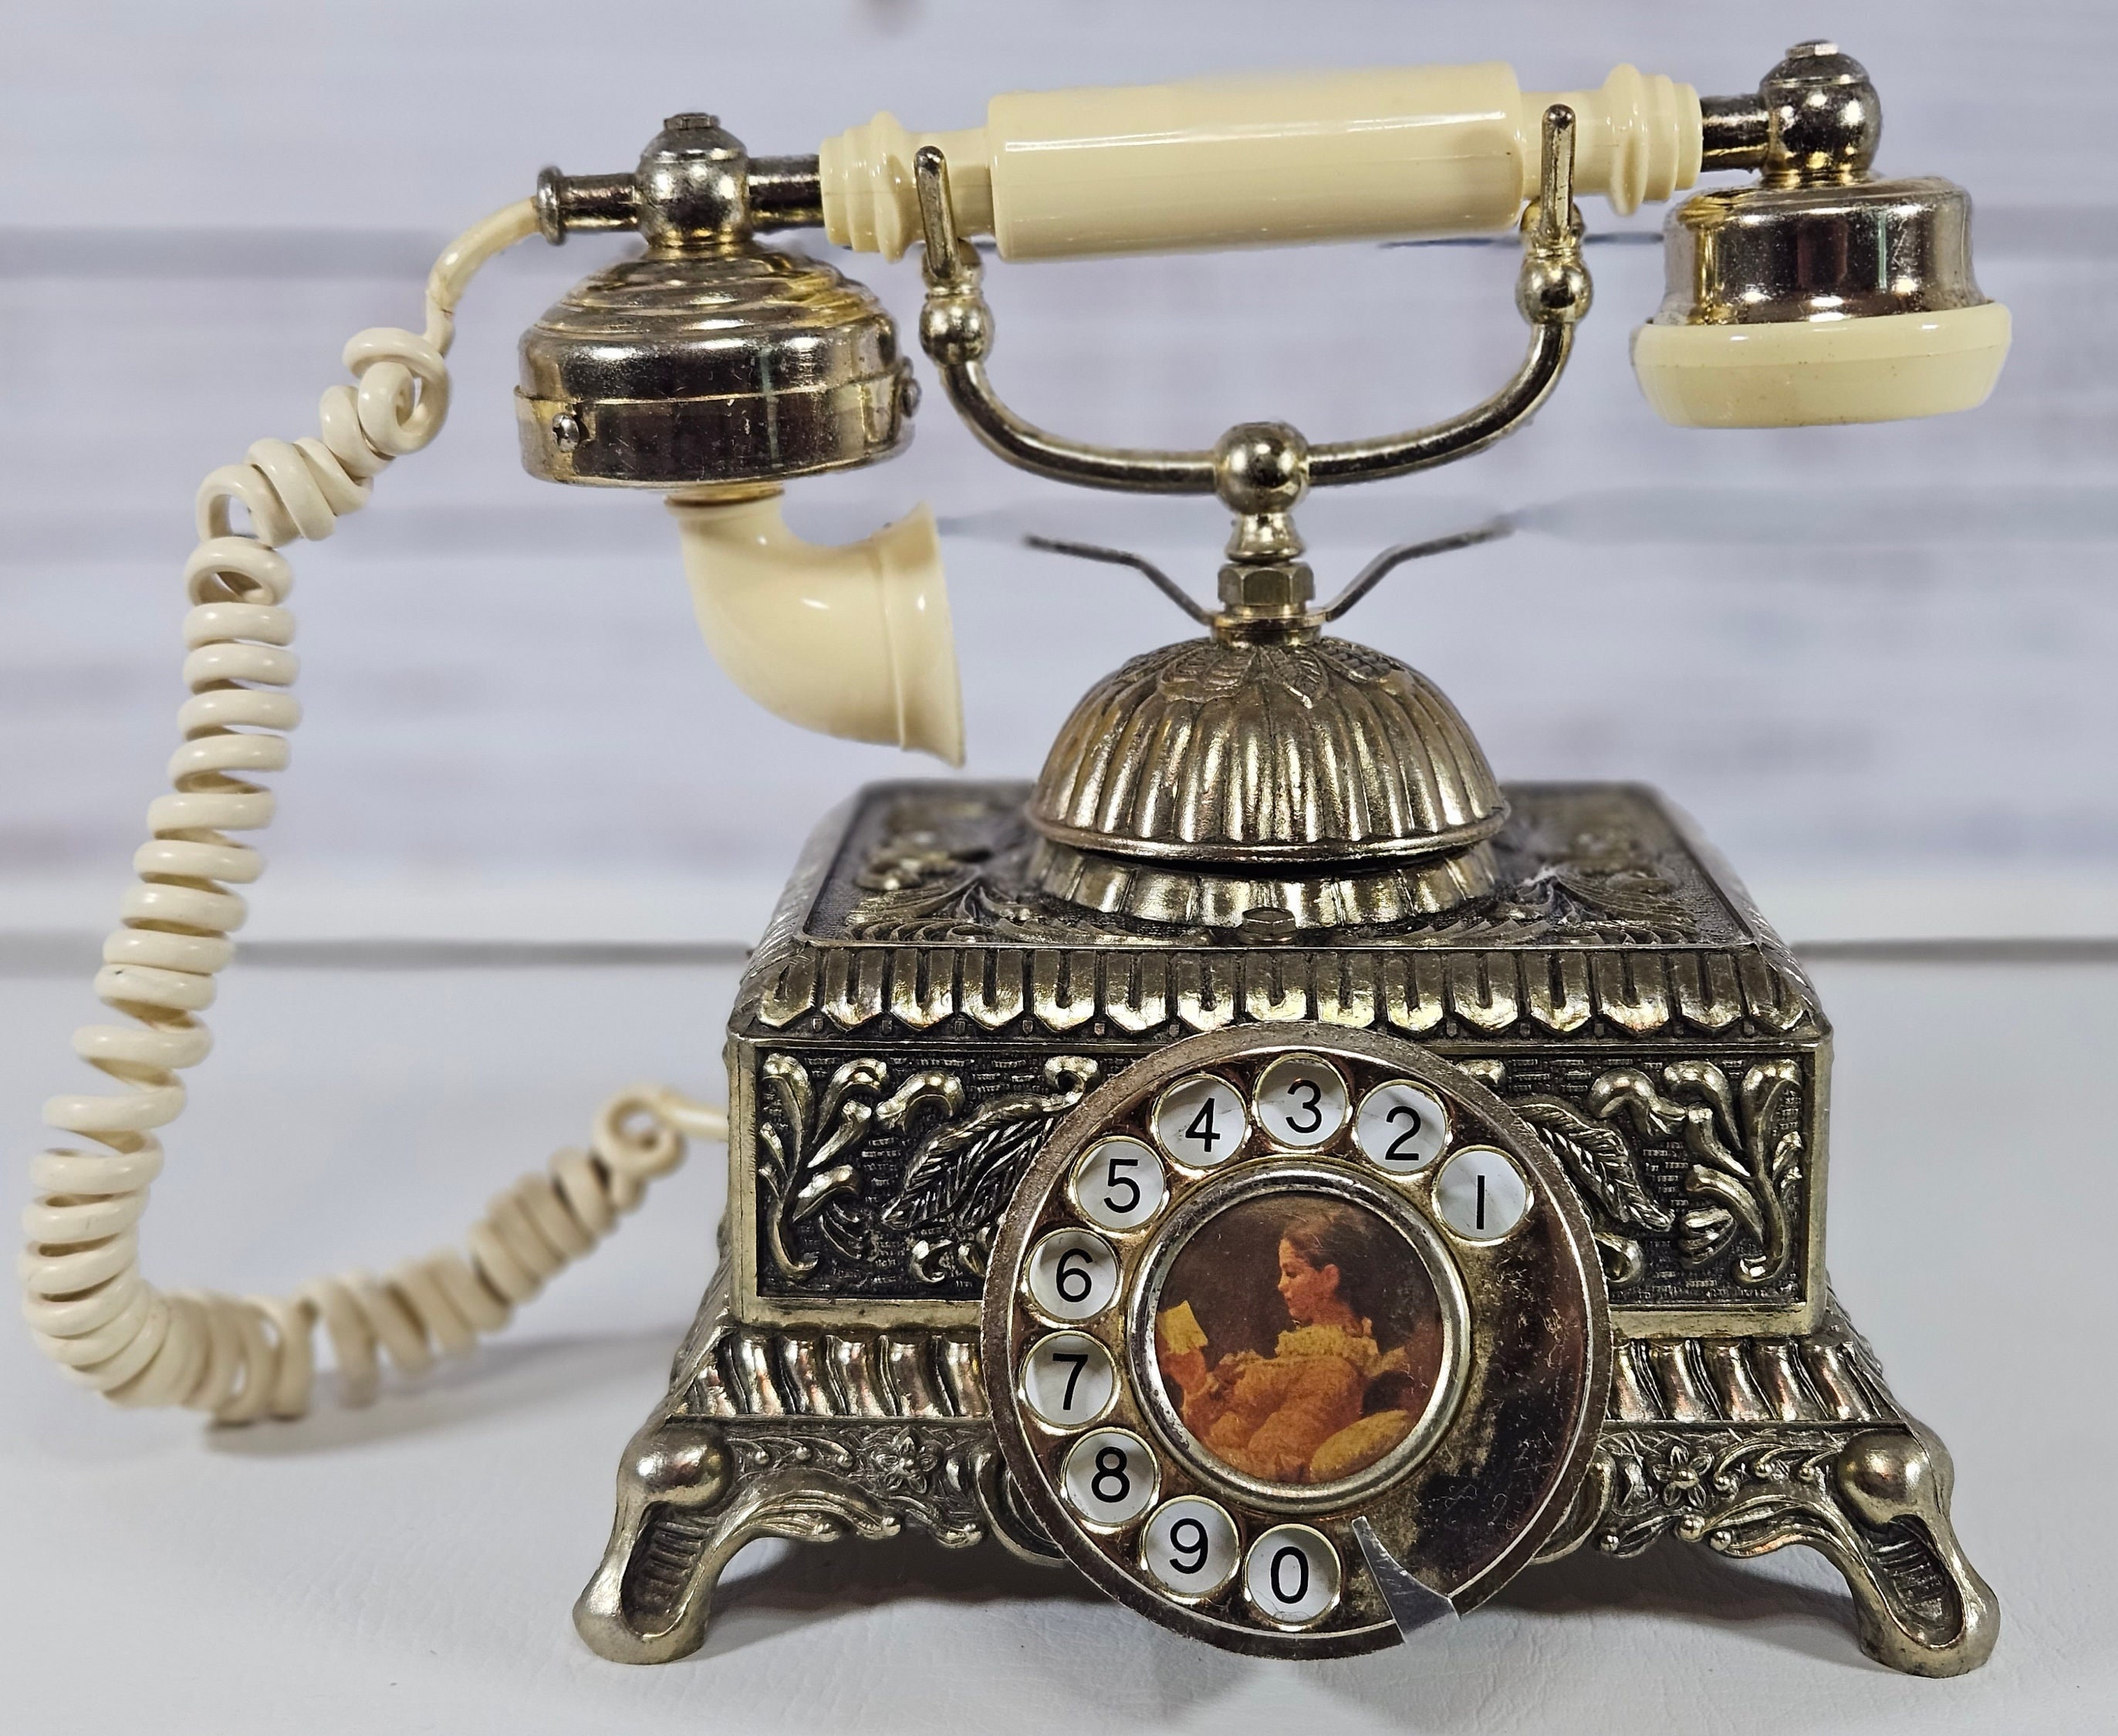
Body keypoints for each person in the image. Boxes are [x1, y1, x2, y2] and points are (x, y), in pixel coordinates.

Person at [1157, 1204, 1437, 1484]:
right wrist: (1194, 1385)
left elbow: (1276, 1471)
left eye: (1291, 1273)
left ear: (1329, 1278)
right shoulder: (1307, 1354)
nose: (1280, 1285)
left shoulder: (1333, 1371)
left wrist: (1188, 1418)